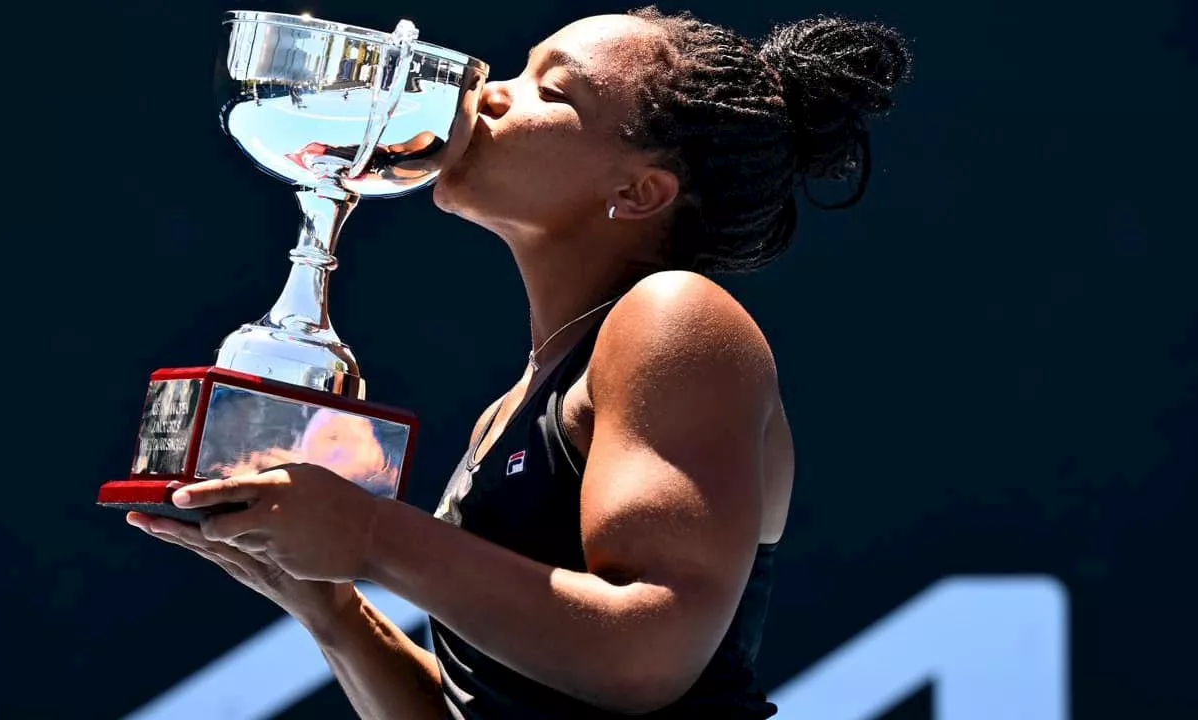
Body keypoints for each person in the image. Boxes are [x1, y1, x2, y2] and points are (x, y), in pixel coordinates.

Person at [127, 7, 911, 718]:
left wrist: (369, 534)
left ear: (639, 192)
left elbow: (646, 656)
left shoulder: (674, 317)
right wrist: (332, 610)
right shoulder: (516, 402)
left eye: (552, 90)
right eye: (516, 70)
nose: (488, 92)